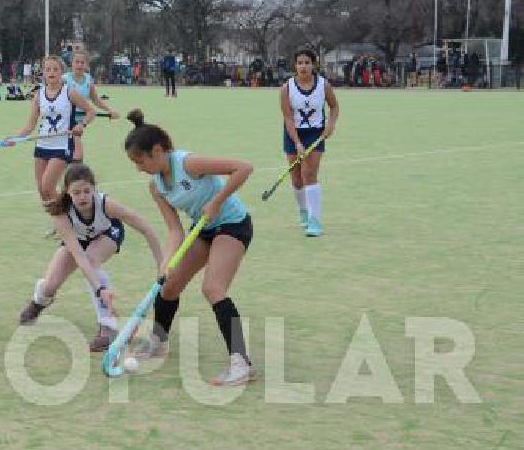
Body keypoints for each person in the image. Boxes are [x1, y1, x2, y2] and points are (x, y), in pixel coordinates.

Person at [123, 109, 257, 386]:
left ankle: (241, 363)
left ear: (157, 151)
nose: (138, 168)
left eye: (140, 161)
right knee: (169, 285)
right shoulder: (156, 186)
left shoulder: (189, 164)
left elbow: (243, 168)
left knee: (213, 288)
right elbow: (174, 229)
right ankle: (158, 342)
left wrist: (218, 200)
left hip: (233, 225)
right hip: (203, 229)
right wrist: (166, 262)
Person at [19, 163, 163, 351]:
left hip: (108, 233)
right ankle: (39, 302)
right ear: (68, 192)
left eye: (87, 191)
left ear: (94, 189)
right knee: (50, 284)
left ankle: (108, 327)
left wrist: (162, 263)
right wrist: (100, 289)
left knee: (92, 259)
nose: (82, 196)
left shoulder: (106, 205)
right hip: (78, 241)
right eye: (76, 192)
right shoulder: (60, 212)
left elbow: (146, 228)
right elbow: (79, 256)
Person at [10, 55, 96, 213]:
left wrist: (81, 124)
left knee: (47, 186)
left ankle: (70, 220)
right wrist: (14, 138)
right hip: (42, 145)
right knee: (43, 192)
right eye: (47, 69)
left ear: (61, 72)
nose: (51, 72)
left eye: (55, 69)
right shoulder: (38, 95)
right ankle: (62, 224)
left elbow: (91, 111)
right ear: (42, 72)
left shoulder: (69, 92)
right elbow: (30, 125)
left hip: (62, 145)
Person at [280, 49, 339, 237]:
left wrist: (330, 124)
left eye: (307, 62)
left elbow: (334, 106)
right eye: (299, 63)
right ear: (295, 66)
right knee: (296, 179)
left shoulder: (324, 85)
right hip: (293, 133)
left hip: (315, 133)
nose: (303, 66)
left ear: (313, 65)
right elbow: (288, 117)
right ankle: (303, 211)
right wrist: (297, 142)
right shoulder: (286, 88)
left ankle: (315, 221)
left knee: (309, 174)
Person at [62, 49, 120, 162]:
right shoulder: (64, 79)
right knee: (76, 152)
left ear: (86, 65)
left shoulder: (88, 79)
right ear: (71, 63)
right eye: (76, 62)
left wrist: (109, 110)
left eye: (82, 62)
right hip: (66, 120)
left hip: (81, 121)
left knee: (74, 152)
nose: (79, 65)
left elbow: (95, 99)